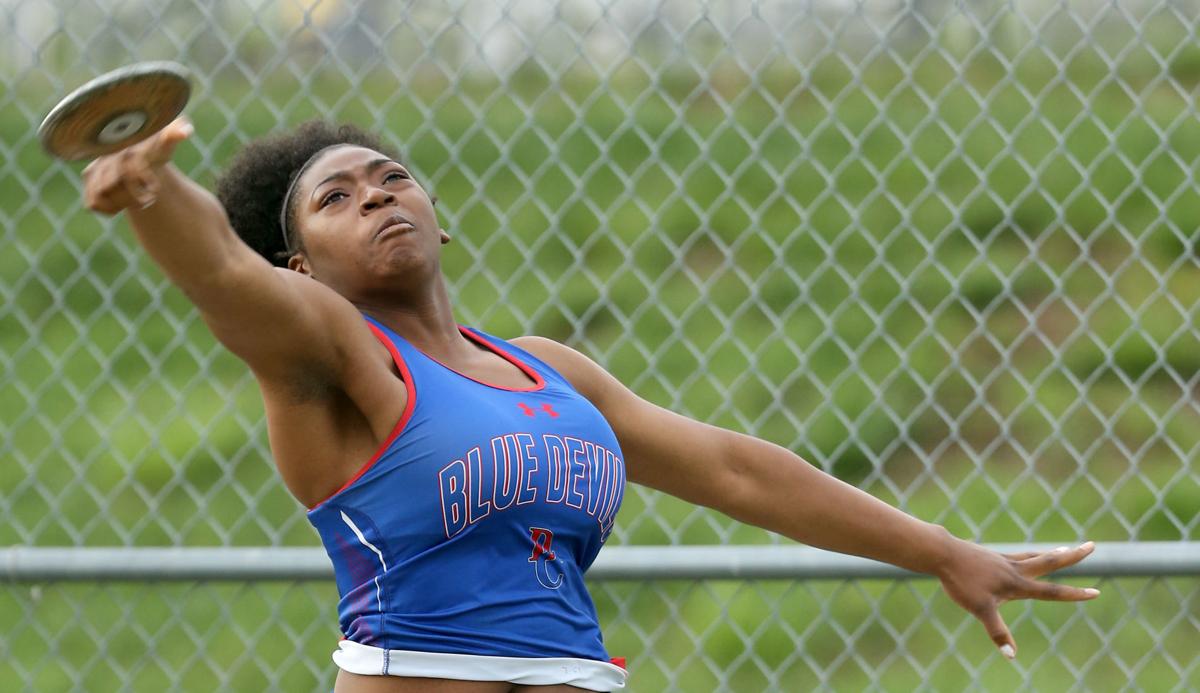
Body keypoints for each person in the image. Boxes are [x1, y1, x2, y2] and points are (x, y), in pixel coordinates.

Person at [81, 117, 1099, 693]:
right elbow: (221, 276)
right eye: (336, 198)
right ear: (300, 264)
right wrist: (150, 193)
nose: (378, 196)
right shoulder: (334, 358)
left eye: (392, 178)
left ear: (442, 213)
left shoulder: (545, 369)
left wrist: (943, 550)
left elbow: (738, 470)